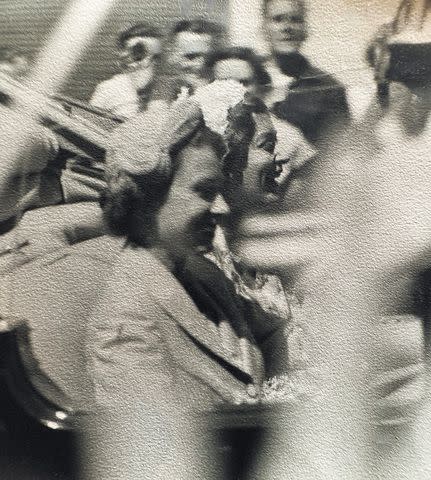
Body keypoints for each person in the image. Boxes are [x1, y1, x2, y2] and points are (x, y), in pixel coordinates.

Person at [81, 81, 288, 479]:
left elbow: (278, 335)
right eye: (205, 191)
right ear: (146, 197)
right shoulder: (125, 325)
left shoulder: (203, 271)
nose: (221, 205)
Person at [262, 0, 350, 144]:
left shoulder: (330, 89)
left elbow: (341, 155)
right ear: (264, 28)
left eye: (295, 20)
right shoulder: (246, 78)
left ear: (305, 30)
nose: (286, 27)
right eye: (278, 19)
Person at [90, 22, 163, 119]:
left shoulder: (163, 97)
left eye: (155, 58)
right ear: (123, 58)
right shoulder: (108, 89)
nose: (146, 63)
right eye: (139, 54)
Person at [151, 19, 224, 102]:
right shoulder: (155, 94)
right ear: (171, 55)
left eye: (208, 57)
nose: (200, 65)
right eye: (189, 56)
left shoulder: (228, 99)